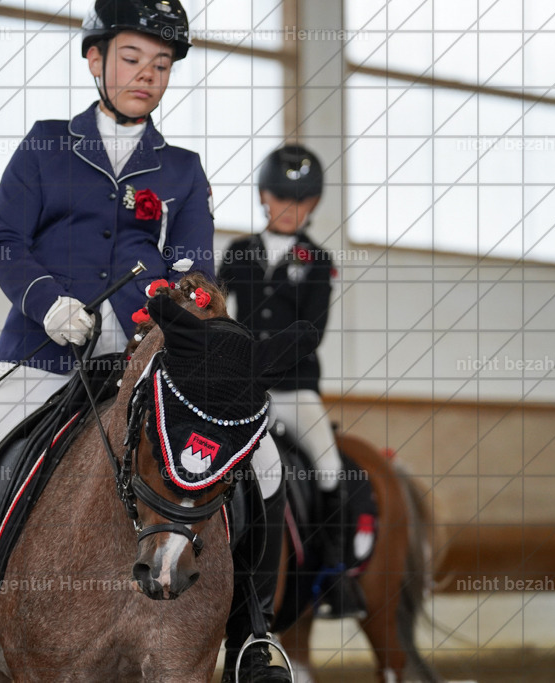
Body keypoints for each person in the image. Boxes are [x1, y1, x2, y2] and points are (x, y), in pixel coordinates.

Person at [0, 2, 287, 681]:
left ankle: (254, 633)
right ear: (95, 60)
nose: (148, 76)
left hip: (142, 359)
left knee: (269, 461)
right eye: (133, 59)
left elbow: (196, 263)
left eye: (161, 65)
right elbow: (5, 241)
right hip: (42, 350)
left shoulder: (183, 169)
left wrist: (185, 297)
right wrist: (49, 303)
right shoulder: (46, 144)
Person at [220, 144, 374, 620]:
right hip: (246, 395)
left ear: (311, 207)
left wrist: (261, 363)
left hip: (296, 393)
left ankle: (334, 573)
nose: (290, 209)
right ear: (264, 197)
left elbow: (311, 334)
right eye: (281, 198)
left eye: (301, 202)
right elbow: (224, 316)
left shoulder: (317, 261)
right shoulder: (238, 253)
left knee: (330, 469)